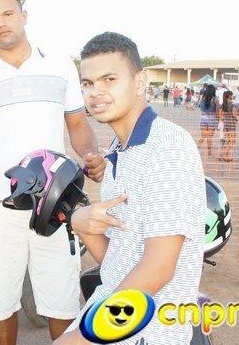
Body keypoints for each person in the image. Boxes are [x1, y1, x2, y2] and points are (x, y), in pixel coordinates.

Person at [0, 0, 104, 345]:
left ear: (24, 16)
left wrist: (90, 154)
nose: (1, 24)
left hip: (54, 202)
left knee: (61, 299)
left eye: (8, 14)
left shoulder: (59, 64)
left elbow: (77, 125)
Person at [55, 32, 205, 345]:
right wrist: (80, 225)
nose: (96, 92)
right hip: (113, 309)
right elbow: (118, 260)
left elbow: (158, 269)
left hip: (150, 331)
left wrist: (86, 336)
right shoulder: (118, 149)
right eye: (88, 83)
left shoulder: (167, 147)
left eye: (109, 79)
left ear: (139, 82)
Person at [197, 84, 218, 158]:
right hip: (212, 119)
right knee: (209, 137)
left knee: (202, 136)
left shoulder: (203, 98)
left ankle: (195, 150)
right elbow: (217, 111)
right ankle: (209, 153)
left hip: (203, 119)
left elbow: (200, 108)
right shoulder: (215, 99)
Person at [218, 90, 237, 162]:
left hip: (226, 123)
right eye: (232, 95)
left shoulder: (223, 104)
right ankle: (225, 154)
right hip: (231, 123)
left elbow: (220, 114)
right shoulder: (232, 104)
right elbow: (234, 115)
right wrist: (236, 118)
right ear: (230, 96)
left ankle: (227, 155)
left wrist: (223, 118)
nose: (233, 96)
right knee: (232, 140)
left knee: (229, 139)